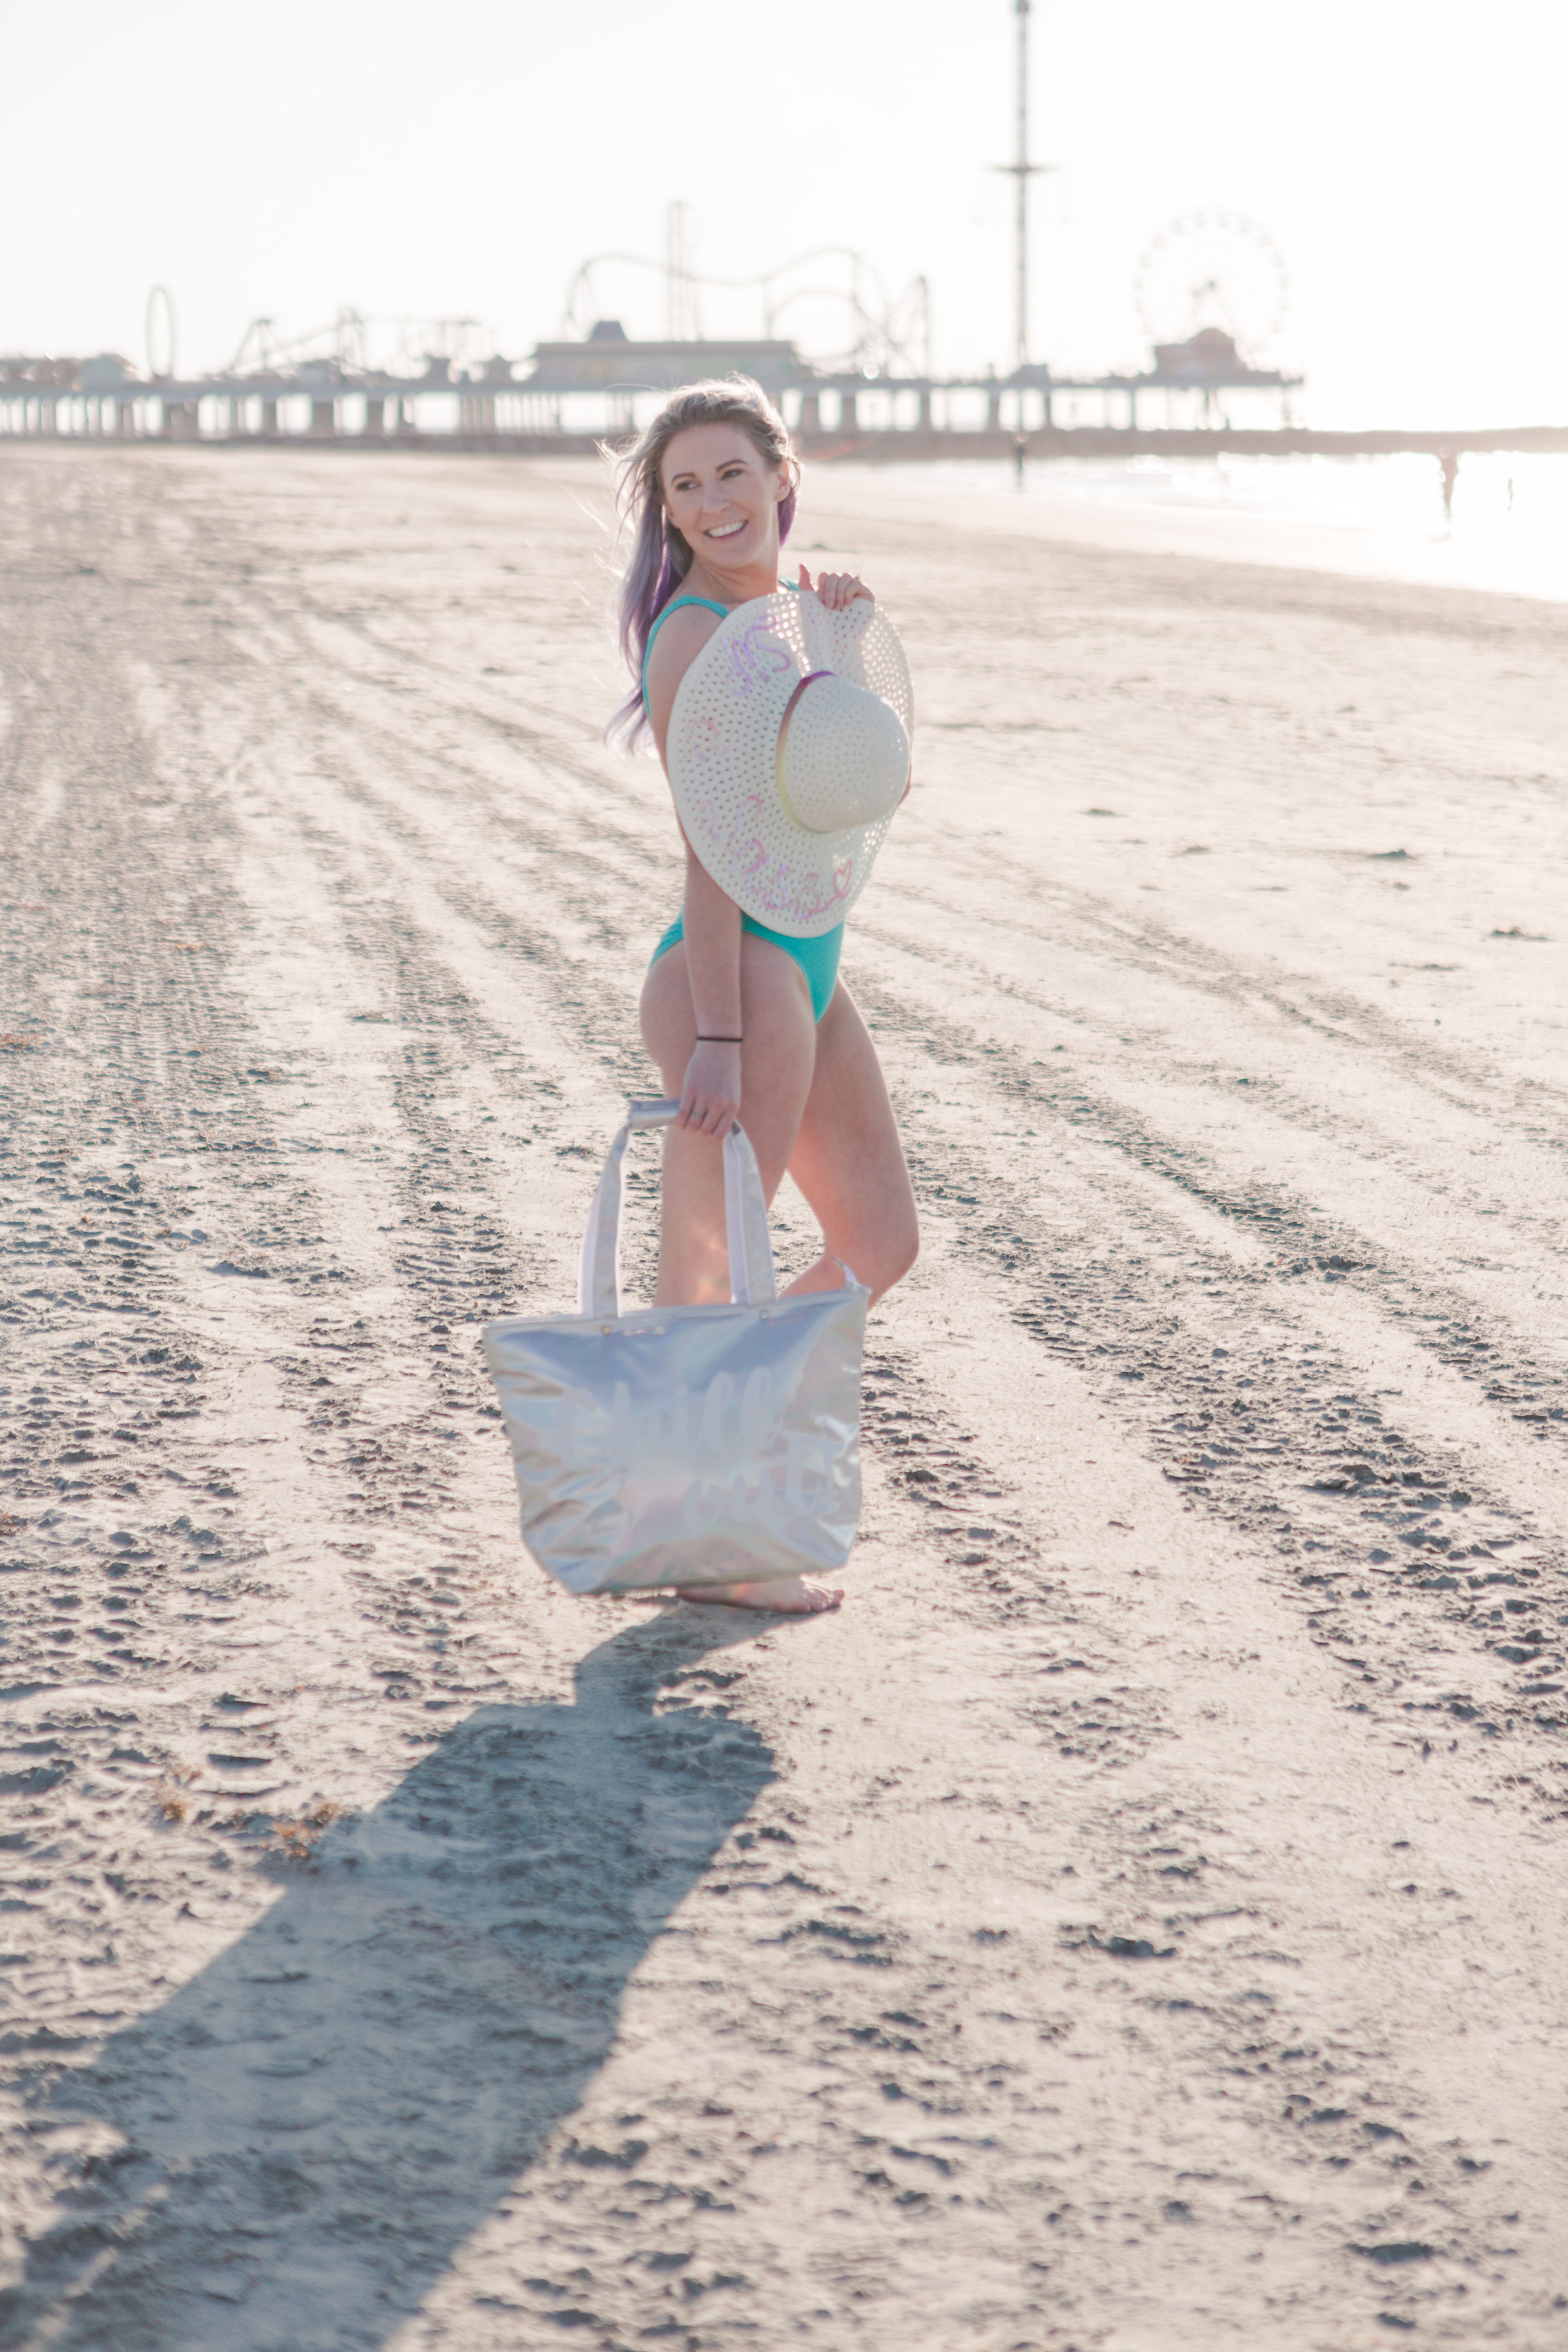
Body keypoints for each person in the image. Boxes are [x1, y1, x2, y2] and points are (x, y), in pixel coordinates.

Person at [607, 378, 919, 1614]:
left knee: (882, 1243)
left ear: (782, 476)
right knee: (716, 1267)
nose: (711, 503)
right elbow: (713, 846)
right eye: (685, 488)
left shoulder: (795, 611)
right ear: (670, 518)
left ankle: (681, 1467)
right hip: (728, 974)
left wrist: (845, 640)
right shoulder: (688, 635)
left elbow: (855, 785)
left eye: (730, 473)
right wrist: (725, 1037)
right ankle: (717, 1533)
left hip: (809, 958)